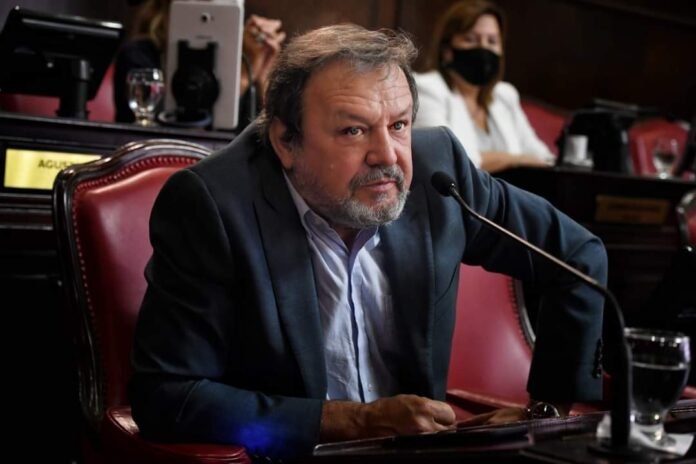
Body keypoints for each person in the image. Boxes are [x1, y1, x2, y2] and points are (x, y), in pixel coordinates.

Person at [130, 24, 607, 461]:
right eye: (353, 130)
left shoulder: (439, 172)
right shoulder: (214, 205)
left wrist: (547, 410)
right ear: (285, 142)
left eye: (399, 125)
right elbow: (167, 397)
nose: (387, 156)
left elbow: (576, 257)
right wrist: (354, 422)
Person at [414, 0, 554, 173]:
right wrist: (515, 159)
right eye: (471, 39)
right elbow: (447, 159)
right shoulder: (428, 89)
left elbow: (542, 156)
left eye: (492, 41)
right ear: (447, 51)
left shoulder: (505, 95)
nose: (483, 48)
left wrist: (509, 160)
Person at [114, 0, 285, 126]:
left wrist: (264, 77)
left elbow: (265, 142)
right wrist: (242, 78)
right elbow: (173, 136)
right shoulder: (139, 54)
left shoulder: (245, 54)